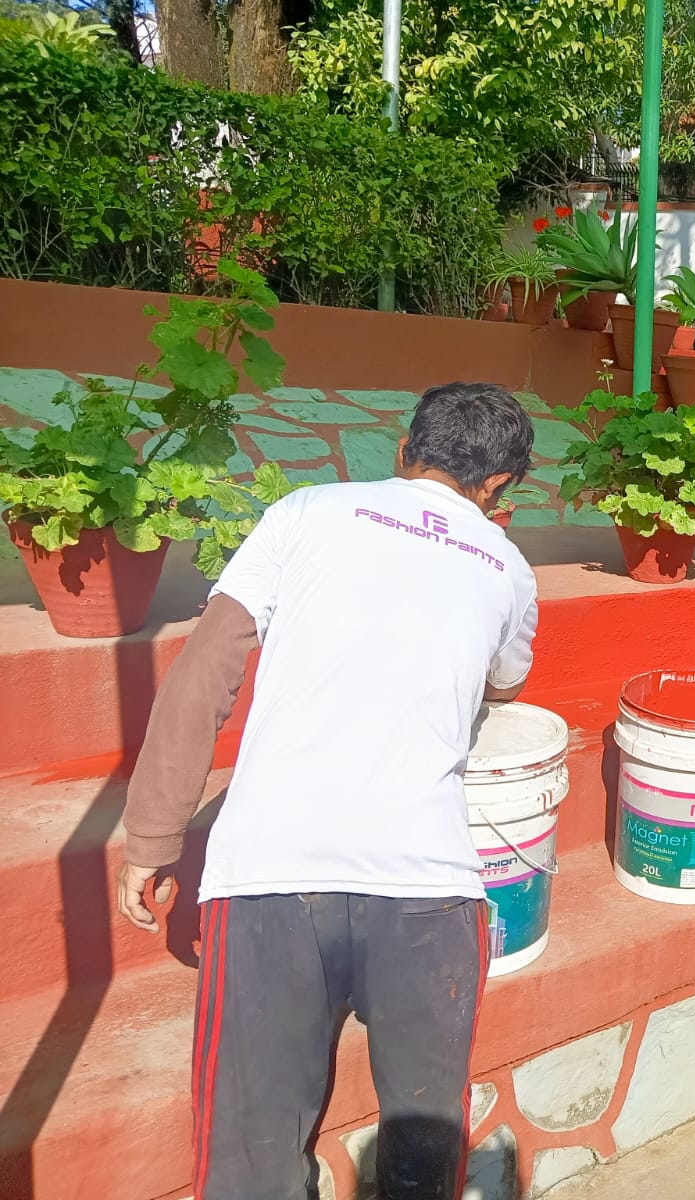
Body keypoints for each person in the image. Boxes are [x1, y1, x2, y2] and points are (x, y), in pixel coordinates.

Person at [115, 382, 541, 1198]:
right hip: (428, 890)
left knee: (250, 1160)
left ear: (406, 451)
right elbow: (508, 681)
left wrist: (152, 837)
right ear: (500, 489)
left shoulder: (305, 512)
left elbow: (207, 673)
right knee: (423, 1160)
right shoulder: (509, 569)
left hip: (272, 876)